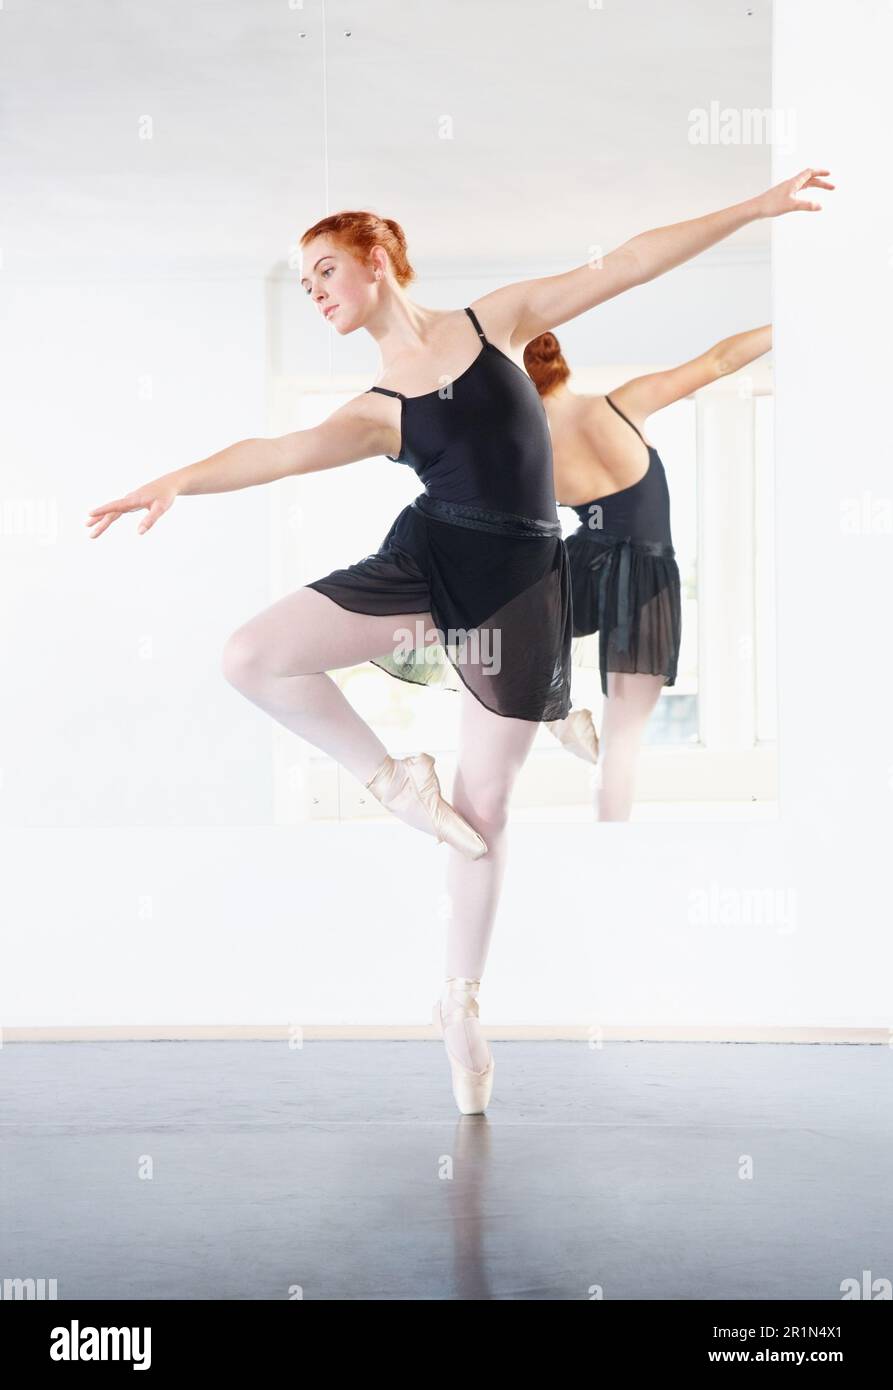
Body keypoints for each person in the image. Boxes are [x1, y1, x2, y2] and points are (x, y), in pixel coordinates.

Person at [86, 169, 831, 1113]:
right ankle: (393, 779)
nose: (314, 292)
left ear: (378, 259)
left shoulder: (495, 323)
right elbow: (270, 456)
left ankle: (458, 1003)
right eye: (303, 282)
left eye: (325, 271)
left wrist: (754, 208)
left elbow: (631, 263)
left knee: (482, 817)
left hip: (522, 583)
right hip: (428, 559)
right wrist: (175, 482)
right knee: (251, 655)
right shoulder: (371, 410)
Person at [526, 324, 773, 820]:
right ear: (557, 361)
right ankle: (610, 841)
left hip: (584, 565)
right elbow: (720, 360)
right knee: (622, 740)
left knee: (498, 625)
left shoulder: (532, 456)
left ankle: (555, 712)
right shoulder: (622, 404)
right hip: (646, 579)